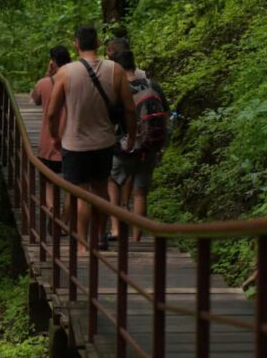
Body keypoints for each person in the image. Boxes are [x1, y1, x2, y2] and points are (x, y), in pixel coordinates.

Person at [46, 25, 136, 252]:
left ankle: (83, 244)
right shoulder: (115, 70)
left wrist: (55, 136)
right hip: (105, 142)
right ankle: (100, 236)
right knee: (101, 190)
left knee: (82, 194)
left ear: (76, 44)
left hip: (74, 144)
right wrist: (132, 136)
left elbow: (52, 112)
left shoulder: (64, 73)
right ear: (97, 43)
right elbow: (129, 108)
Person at [108, 49, 169, 242]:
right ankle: (136, 238)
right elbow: (166, 115)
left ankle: (116, 229)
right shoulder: (153, 85)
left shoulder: (118, 89)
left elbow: (112, 120)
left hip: (124, 147)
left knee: (113, 183)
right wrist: (161, 145)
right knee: (140, 193)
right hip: (150, 146)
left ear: (117, 67)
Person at [31, 45, 71, 216]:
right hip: (73, 142)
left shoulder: (44, 83)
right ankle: (66, 219)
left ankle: (53, 215)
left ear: (53, 62)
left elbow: (35, 99)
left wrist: (48, 74)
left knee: (48, 182)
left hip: (49, 143)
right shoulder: (76, 81)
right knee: (73, 184)